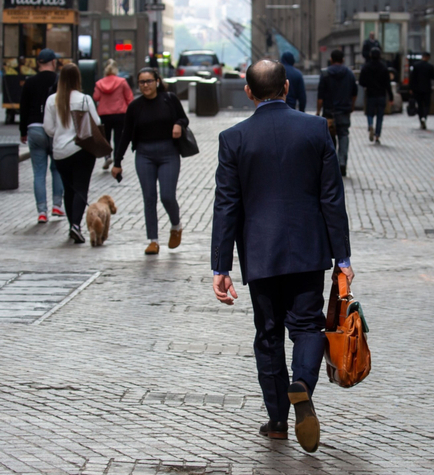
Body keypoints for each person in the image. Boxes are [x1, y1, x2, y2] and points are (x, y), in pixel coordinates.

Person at [211, 59, 353, 453]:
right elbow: (331, 198)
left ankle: (276, 422)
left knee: (268, 334)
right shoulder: (315, 129)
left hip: (260, 252)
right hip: (309, 249)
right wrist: (342, 257)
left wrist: (220, 265)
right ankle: (302, 384)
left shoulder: (233, 138)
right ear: (287, 88)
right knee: (307, 327)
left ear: (248, 92)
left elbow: (226, 205)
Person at [111, 68, 188, 256]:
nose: (146, 85)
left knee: (167, 196)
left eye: (149, 81)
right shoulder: (135, 107)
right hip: (144, 154)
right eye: (142, 82)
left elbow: (183, 117)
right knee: (149, 197)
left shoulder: (169, 99)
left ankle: (176, 225)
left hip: (168, 152)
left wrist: (178, 124)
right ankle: (153, 240)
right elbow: (126, 134)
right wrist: (117, 161)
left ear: (157, 81)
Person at [43, 63, 100, 244]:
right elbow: (96, 122)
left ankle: (72, 225)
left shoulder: (52, 100)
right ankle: (76, 225)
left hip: (60, 152)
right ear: (78, 78)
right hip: (82, 149)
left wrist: (60, 134)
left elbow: (49, 129)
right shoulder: (84, 99)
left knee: (68, 189)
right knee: (81, 188)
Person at [19, 48, 64, 224]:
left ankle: (42, 211)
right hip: (55, 129)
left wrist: (23, 131)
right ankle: (57, 205)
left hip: (35, 128)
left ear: (38, 63)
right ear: (53, 62)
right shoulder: (58, 80)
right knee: (56, 168)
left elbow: (23, 108)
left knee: (39, 172)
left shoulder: (30, 82)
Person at [316, 49, 357, 177]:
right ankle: (343, 161)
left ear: (331, 60)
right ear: (343, 60)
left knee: (329, 139)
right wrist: (352, 106)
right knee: (344, 135)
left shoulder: (325, 74)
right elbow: (354, 92)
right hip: (344, 111)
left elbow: (320, 96)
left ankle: (332, 165)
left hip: (329, 112)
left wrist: (318, 110)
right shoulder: (350, 74)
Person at [94, 59, 135, 170]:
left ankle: (107, 157)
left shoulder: (99, 83)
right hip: (120, 113)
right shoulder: (122, 82)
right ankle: (117, 159)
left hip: (104, 114)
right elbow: (129, 97)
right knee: (118, 138)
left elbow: (96, 97)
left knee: (106, 137)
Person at [358, 47, 393, 144]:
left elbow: (361, 81)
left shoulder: (366, 67)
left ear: (370, 55)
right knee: (380, 115)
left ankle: (370, 125)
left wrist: (367, 85)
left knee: (369, 112)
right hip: (381, 94)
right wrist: (391, 96)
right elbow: (387, 83)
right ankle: (377, 135)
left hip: (370, 93)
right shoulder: (383, 67)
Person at [409, 51, 434, 130]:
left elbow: (412, 78)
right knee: (427, 105)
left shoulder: (416, 66)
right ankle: (424, 117)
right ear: (428, 57)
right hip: (427, 89)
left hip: (417, 89)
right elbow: (433, 77)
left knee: (420, 105)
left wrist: (411, 88)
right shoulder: (430, 66)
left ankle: (421, 118)